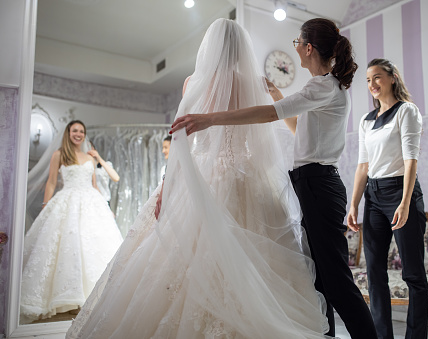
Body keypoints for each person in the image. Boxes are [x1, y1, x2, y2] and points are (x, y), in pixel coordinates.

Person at [66, 19, 328, 338]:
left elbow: (181, 140)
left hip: (203, 175)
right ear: (240, 50)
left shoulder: (193, 82)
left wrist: (167, 186)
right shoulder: (253, 82)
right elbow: (260, 138)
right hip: (248, 178)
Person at [171, 17, 377, 339]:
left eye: (297, 42)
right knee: (321, 281)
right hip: (312, 183)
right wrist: (277, 92)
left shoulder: (323, 85)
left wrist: (210, 118)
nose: (295, 47)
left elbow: (271, 115)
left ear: (308, 48)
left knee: (336, 282)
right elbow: (296, 129)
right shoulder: (324, 87)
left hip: (319, 184)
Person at [346, 58, 427, 339]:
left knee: (414, 275)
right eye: (368, 80)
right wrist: (353, 204)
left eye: (377, 77)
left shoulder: (407, 111)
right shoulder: (366, 121)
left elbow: (410, 161)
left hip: (400, 192)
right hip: (374, 197)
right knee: (374, 273)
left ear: (392, 78)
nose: (372, 84)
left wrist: (405, 203)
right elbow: (362, 166)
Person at [20, 120, 124, 324]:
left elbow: (95, 186)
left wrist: (105, 208)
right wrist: (46, 206)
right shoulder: (59, 155)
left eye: (82, 131)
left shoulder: (90, 157)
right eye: (75, 130)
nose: (78, 134)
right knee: (67, 246)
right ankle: (66, 297)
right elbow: (51, 182)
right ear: (68, 133)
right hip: (67, 200)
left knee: (92, 245)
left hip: (91, 202)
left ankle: (93, 298)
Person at [88, 140, 120, 206]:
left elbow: (116, 178)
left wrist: (99, 158)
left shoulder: (104, 165)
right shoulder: (83, 168)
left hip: (104, 201)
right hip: (89, 202)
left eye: (90, 147)